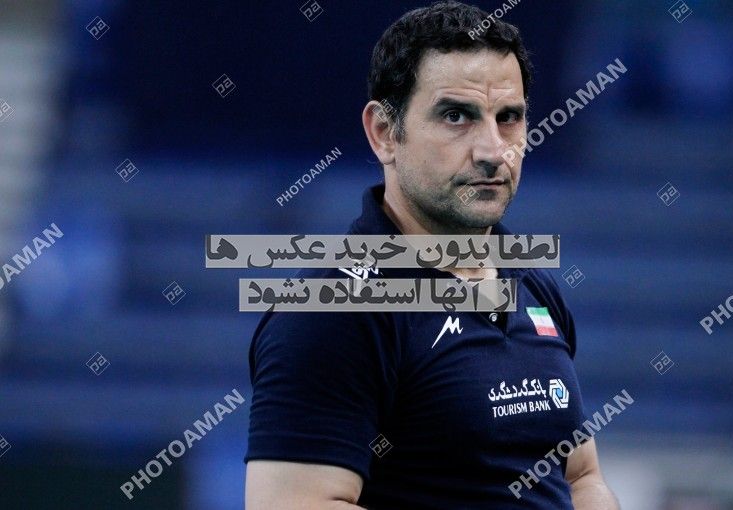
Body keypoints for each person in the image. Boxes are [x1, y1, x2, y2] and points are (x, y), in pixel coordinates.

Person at [245, 1, 619, 508]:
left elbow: (581, 476)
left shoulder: (533, 284)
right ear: (384, 133)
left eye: (508, 118)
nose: (493, 152)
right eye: (456, 116)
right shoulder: (330, 312)